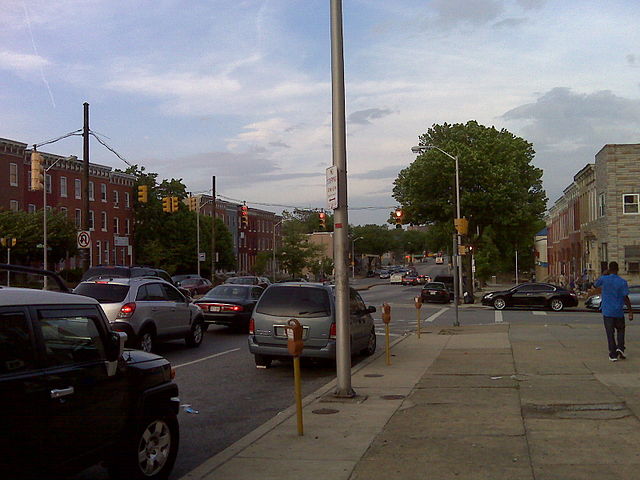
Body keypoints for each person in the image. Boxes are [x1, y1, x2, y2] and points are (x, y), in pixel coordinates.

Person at [590, 262, 633, 361]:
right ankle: (620, 348)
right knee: (621, 331)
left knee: (610, 333)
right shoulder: (622, 282)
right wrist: (630, 311)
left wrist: (604, 274)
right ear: (618, 269)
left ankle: (613, 354)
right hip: (618, 311)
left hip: (607, 311)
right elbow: (625, 297)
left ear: (609, 269)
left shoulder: (604, 279)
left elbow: (595, 285)